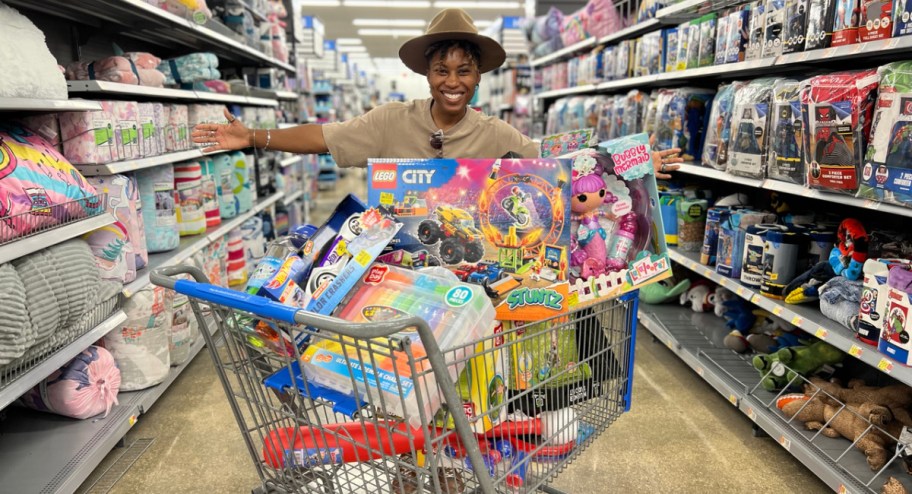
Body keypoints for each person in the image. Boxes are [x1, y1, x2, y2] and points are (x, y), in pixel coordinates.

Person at [191, 8, 681, 178]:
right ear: (426, 73)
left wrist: (631, 161)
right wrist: (252, 136)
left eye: (464, 71)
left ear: (477, 77)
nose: (452, 81)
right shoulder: (389, 121)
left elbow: (554, 159)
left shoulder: (495, 133)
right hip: (400, 272)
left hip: (469, 270)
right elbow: (325, 136)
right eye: (442, 70)